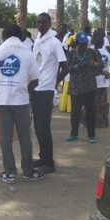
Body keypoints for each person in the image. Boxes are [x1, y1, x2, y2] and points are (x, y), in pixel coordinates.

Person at [0, 24, 43, 183]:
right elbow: (36, 79)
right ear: (20, 37)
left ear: (5, 37)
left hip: (2, 101)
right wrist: (26, 90)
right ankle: (27, 171)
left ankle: (9, 172)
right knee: (25, 136)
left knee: (5, 137)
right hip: (21, 102)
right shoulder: (27, 53)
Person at [31, 12, 68, 173]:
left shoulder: (54, 42)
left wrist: (54, 83)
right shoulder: (38, 40)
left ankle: (49, 163)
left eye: (44, 22)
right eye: (38, 22)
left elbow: (65, 66)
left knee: (44, 127)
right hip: (35, 88)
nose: (41, 25)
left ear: (49, 23)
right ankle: (43, 157)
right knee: (38, 127)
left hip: (46, 90)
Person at [65, 31, 103, 143]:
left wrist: (94, 64)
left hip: (90, 87)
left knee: (90, 112)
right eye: (81, 44)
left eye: (85, 44)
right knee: (75, 112)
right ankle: (73, 134)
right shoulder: (71, 54)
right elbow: (67, 68)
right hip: (76, 87)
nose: (83, 46)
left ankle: (91, 136)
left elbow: (101, 64)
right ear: (77, 43)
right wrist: (77, 66)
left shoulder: (93, 52)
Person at [92, 30, 110, 128]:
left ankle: (93, 122)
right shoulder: (107, 53)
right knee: (102, 103)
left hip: (94, 82)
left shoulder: (92, 52)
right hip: (104, 82)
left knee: (93, 103)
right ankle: (103, 122)